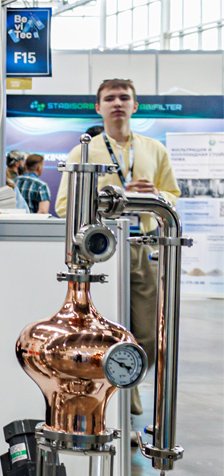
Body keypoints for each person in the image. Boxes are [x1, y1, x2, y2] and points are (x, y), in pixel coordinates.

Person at [55, 78, 180, 419]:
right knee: (103, 328)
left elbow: (173, 195)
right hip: (102, 250)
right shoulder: (84, 152)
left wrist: (155, 195)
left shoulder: (154, 149)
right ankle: (117, 399)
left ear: (135, 106)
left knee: (150, 333)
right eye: (110, 98)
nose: (117, 103)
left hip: (145, 247)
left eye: (124, 97)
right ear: (99, 107)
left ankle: (129, 383)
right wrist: (105, 202)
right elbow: (64, 206)